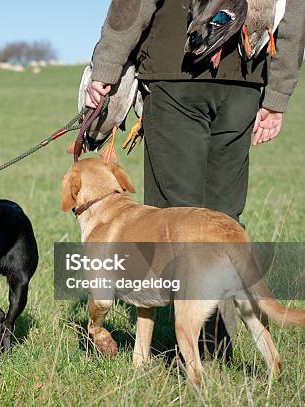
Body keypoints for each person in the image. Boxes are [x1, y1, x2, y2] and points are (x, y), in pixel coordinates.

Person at [85, 0, 303, 357]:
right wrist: (277, 95)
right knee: (223, 219)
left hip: (177, 72)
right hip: (245, 79)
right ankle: (216, 346)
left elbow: (133, 5)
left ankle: (188, 353)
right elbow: (290, 12)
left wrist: (106, 68)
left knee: (172, 216)